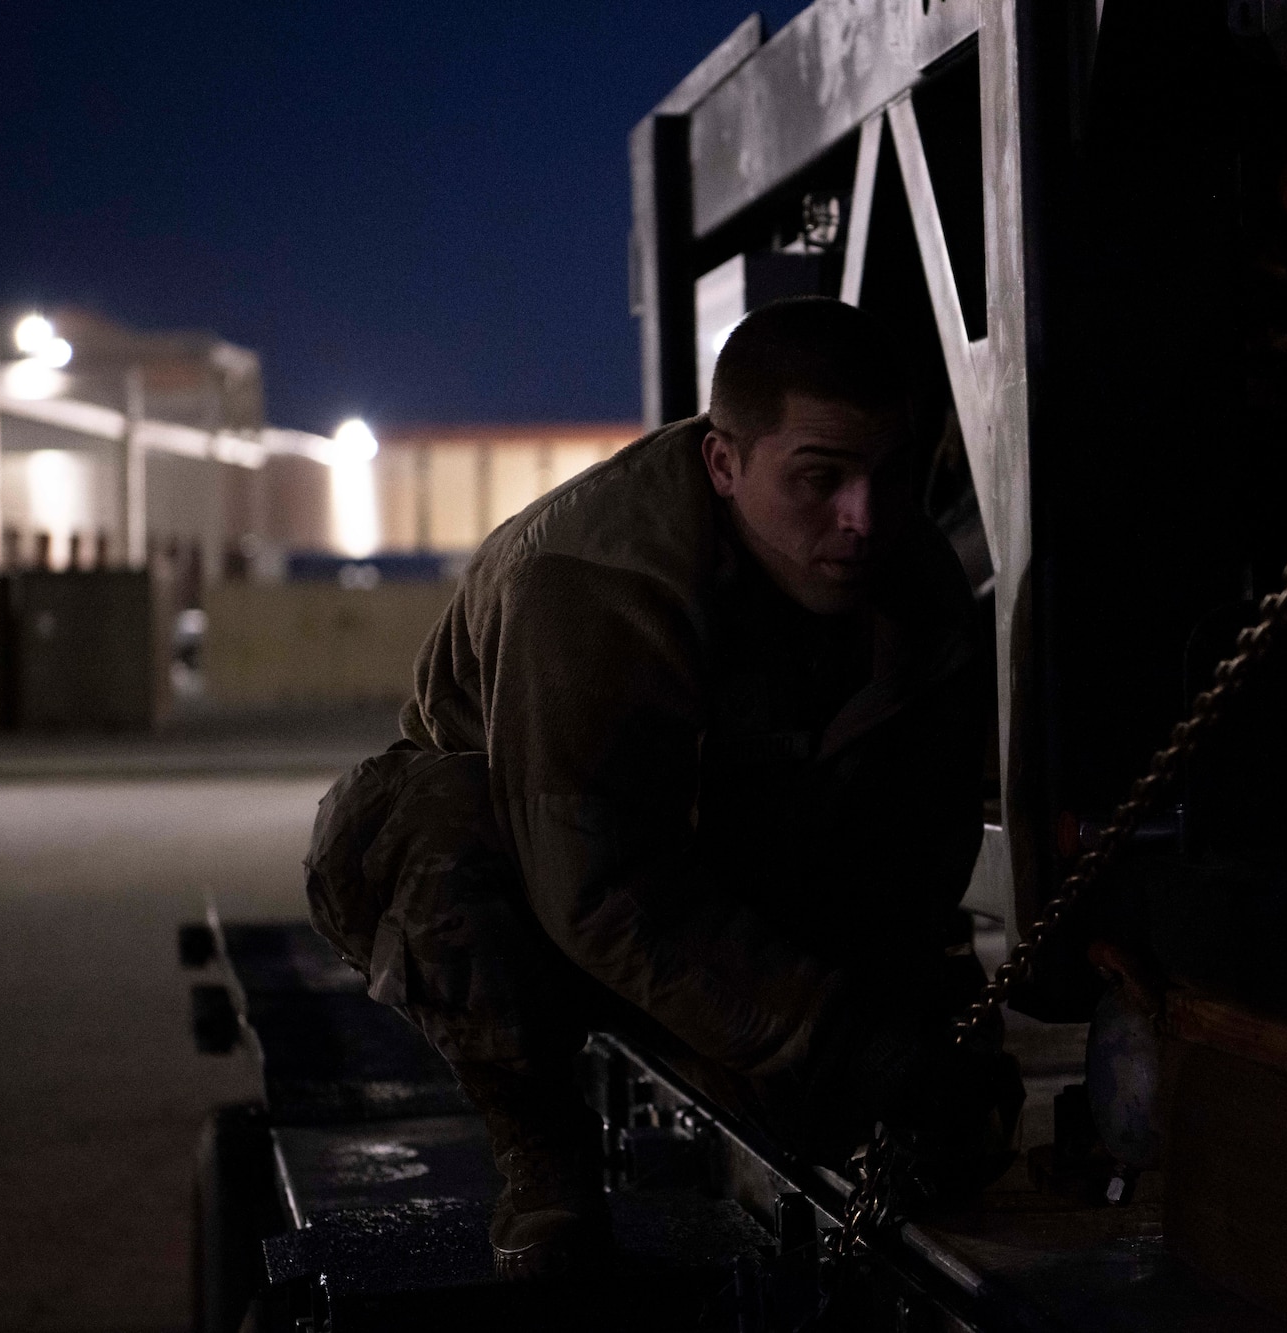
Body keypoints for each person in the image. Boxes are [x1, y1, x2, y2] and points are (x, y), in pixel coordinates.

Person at [304, 297, 1021, 1280]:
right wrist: (832, 1032)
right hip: (531, 869)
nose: (862, 518)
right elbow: (591, 884)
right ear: (724, 464)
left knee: (890, 1114)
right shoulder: (588, 579)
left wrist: (928, 1040)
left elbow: (915, 850)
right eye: (819, 480)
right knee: (438, 838)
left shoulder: (909, 579)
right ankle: (540, 1158)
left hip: (707, 849)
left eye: (889, 476)